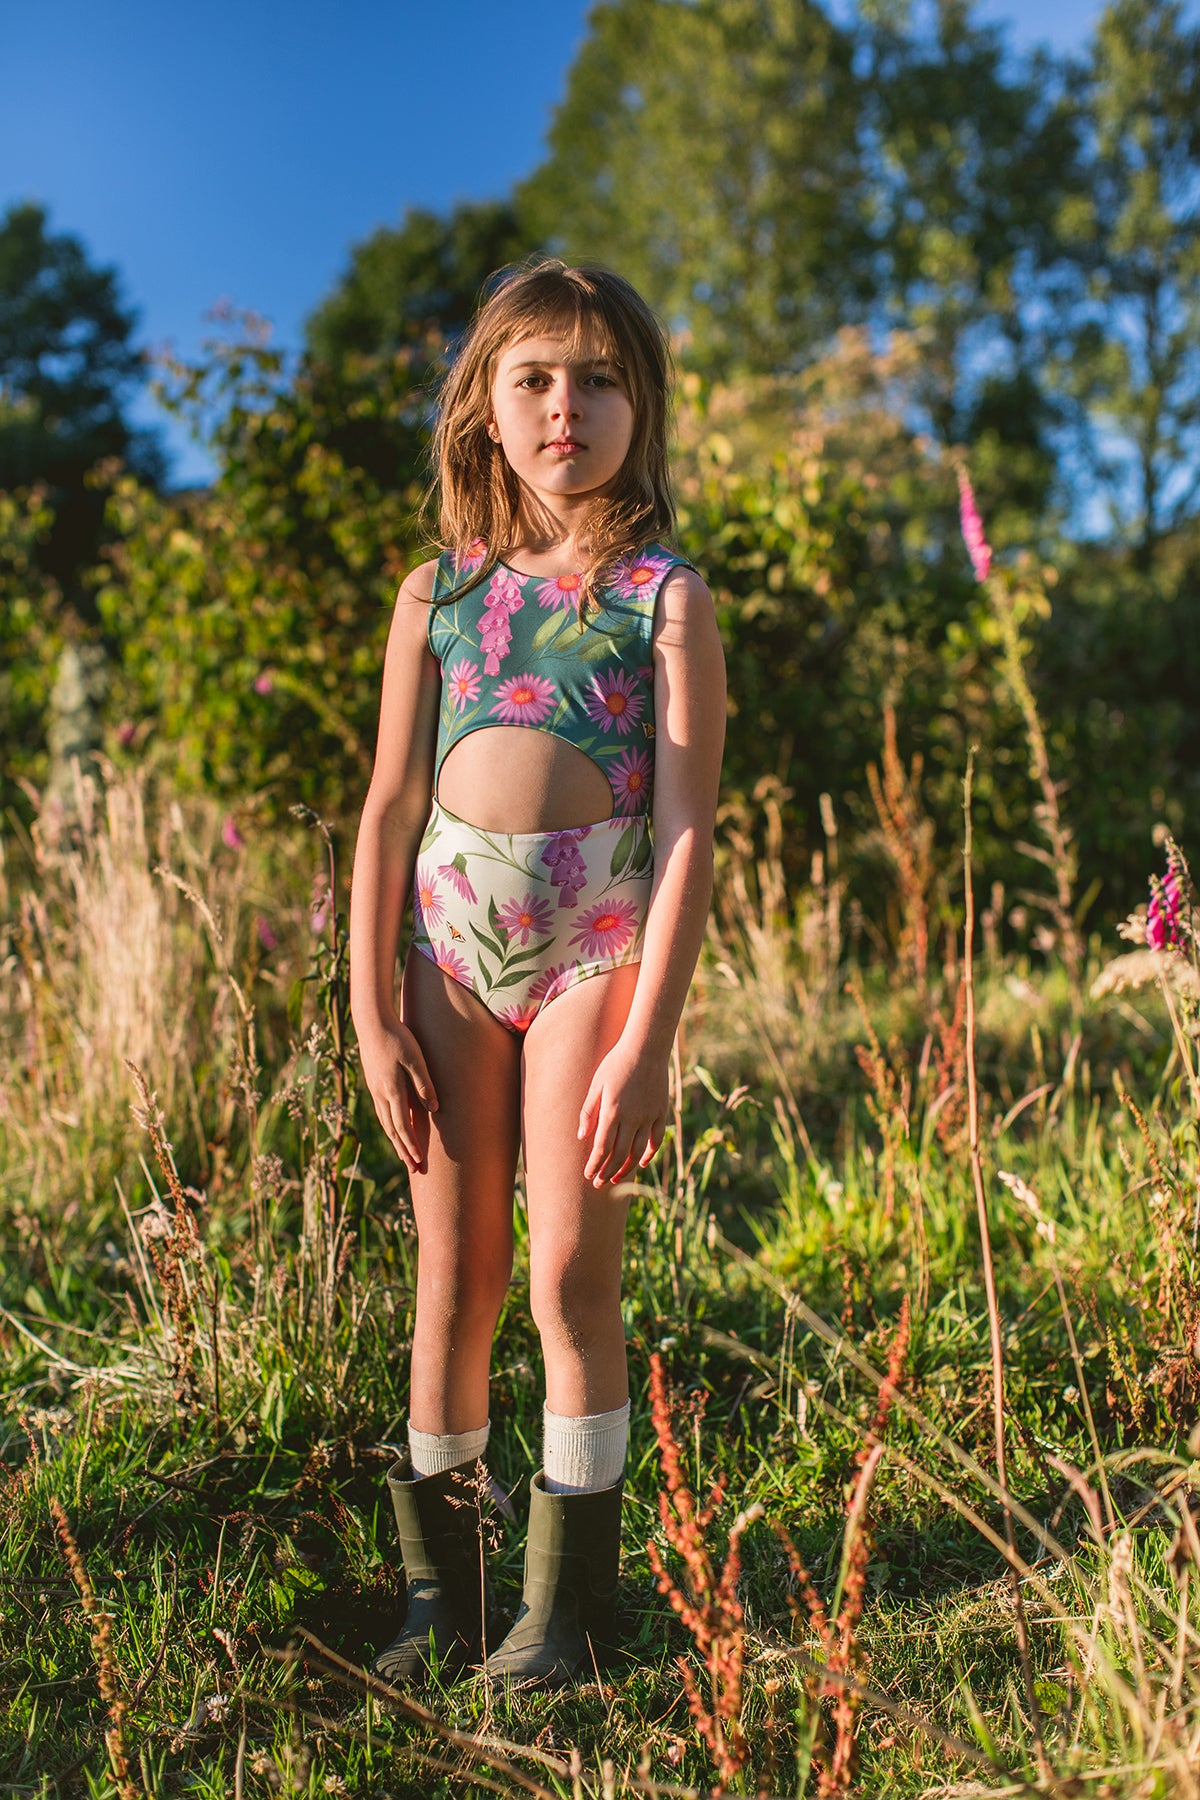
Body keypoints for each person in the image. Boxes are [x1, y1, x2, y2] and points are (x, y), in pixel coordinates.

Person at [349, 259, 725, 1685]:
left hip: (592, 954)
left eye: (601, 378)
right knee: (456, 1280)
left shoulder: (663, 599)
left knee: (569, 1275)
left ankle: (564, 1611)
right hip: (448, 961)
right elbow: (389, 807)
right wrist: (372, 1013)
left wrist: (647, 1043)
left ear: (643, 405)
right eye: (536, 378)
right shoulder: (438, 593)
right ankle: (437, 1599)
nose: (569, 404)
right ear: (485, 411)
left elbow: (686, 833)